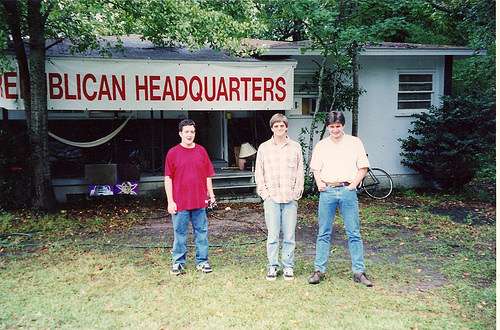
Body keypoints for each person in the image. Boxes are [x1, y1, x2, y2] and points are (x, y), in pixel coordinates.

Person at [308, 111, 373, 287]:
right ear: (327, 127)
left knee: (353, 232)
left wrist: (354, 185)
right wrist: (320, 183)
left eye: (338, 126)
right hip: (327, 192)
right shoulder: (322, 145)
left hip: (347, 191)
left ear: (342, 125)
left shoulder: (354, 142)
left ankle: (359, 272)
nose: (335, 130)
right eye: (331, 126)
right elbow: (315, 168)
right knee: (324, 232)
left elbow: (363, 167)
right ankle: (319, 270)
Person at [255, 113, 304, 281]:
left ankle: (288, 266)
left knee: (289, 236)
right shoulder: (264, 148)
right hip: (272, 198)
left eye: (282, 125)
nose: (279, 128)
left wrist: (297, 192)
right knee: (273, 235)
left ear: (286, 127)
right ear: (272, 128)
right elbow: (259, 172)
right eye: (276, 126)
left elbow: (300, 171)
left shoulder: (295, 147)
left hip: (290, 197)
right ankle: (273, 266)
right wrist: (264, 194)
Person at [164, 119, 216, 275]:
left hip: (200, 201)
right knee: (180, 233)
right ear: (180, 133)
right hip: (180, 203)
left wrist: (211, 195)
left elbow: (208, 176)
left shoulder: (201, 151)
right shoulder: (173, 153)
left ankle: (202, 261)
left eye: (192, 132)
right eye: (186, 131)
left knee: (201, 232)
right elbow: (168, 179)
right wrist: (170, 201)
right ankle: (178, 262)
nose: (189, 135)